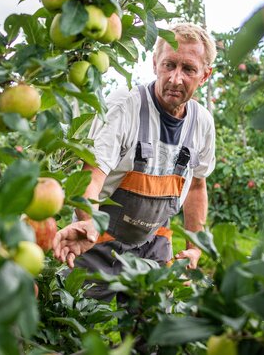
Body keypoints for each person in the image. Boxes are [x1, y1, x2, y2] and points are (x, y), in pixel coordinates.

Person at [52, 23, 217, 300]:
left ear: (204, 75)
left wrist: (195, 247)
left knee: (151, 332)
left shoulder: (202, 123)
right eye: (169, 65)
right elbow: (92, 174)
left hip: (154, 244)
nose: (176, 78)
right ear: (155, 63)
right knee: (76, 328)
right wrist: (89, 222)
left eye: (188, 69)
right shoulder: (125, 105)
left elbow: (197, 187)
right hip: (97, 242)